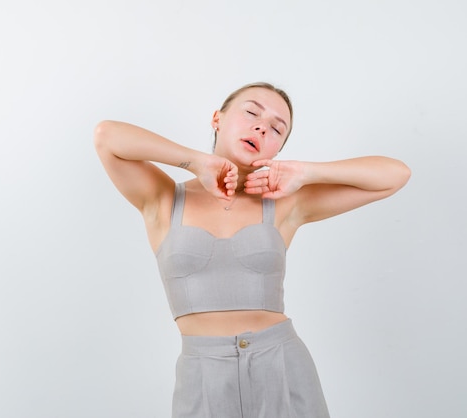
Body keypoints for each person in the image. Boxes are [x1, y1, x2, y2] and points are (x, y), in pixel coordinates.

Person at [93, 82, 411, 418]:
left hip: (283, 365)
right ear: (217, 119)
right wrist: (197, 163)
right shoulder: (164, 198)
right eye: (251, 112)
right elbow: (107, 136)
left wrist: (305, 172)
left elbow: (395, 175)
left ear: (275, 150)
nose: (262, 126)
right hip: (203, 377)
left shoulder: (286, 204)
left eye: (277, 128)